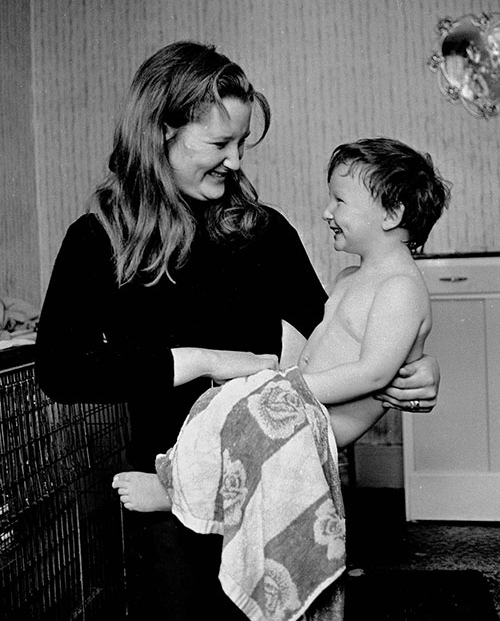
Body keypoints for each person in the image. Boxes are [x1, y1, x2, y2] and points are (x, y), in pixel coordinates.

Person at [35, 41, 440, 621]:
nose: (234, 161)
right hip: (169, 494)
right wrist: (199, 360)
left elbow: (340, 332)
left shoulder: (262, 229)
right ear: (160, 133)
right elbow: (61, 370)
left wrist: (411, 368)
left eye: (242, 144)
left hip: (278, 491)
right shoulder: (100, 238)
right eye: (219, 144)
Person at [113, 136, 450, 514]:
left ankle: (178, 493)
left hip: (328, 420)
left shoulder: (400, 287)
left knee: (249, 432)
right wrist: (272, 377)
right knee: (231, 420)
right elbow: (320, 343)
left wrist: (286, 388)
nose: (327, 212)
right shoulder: (352, 278)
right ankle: (182, 481)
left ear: (392, 214)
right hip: (311, 403)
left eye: (340, 201)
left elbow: (373, 374)